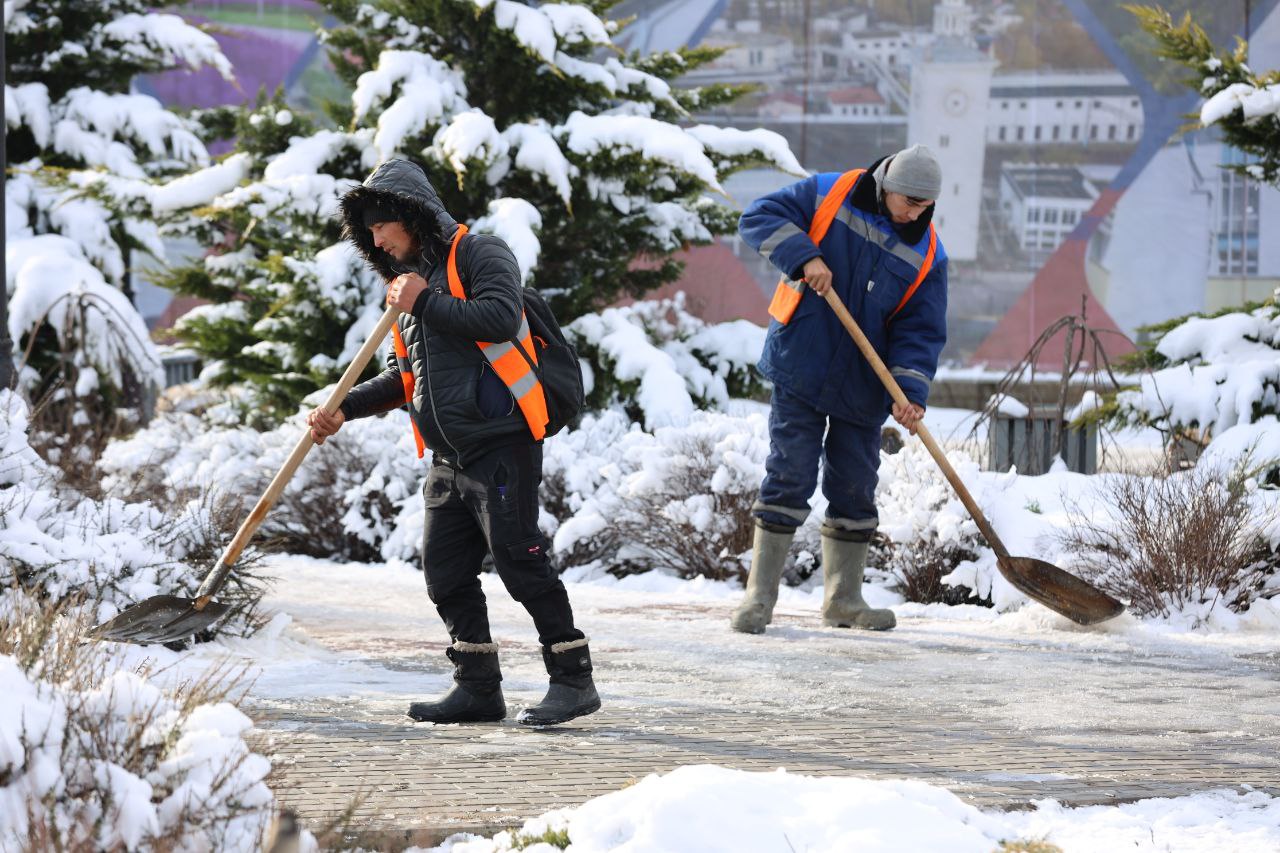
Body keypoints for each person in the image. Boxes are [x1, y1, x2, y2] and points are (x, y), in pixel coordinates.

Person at [306, 158, 600, 726]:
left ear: (405, 214)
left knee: (520, 562)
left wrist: (420, 300)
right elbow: (403, 377)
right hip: (449, 455)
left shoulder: (481, 254)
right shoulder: (406, 289)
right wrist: (343, 407)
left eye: (379, 226)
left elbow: (496, 315)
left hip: (503, 443)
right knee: (444, 573)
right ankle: (478, 688)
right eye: (367, 231)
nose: (375, 239)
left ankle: (572, 678)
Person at [730, 145, 949, 635]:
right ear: (885, 185)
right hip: (802, 362)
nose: (913, 211)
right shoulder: (830, 192)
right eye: (906, 201)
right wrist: (804, 255)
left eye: (923, 205)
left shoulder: (928, 254)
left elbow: (922, 330)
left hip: (864, 386)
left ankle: (844, 599)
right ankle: (759, 597)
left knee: (855, 485)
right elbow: (759, 216)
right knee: (789, 472)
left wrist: (910, 391)